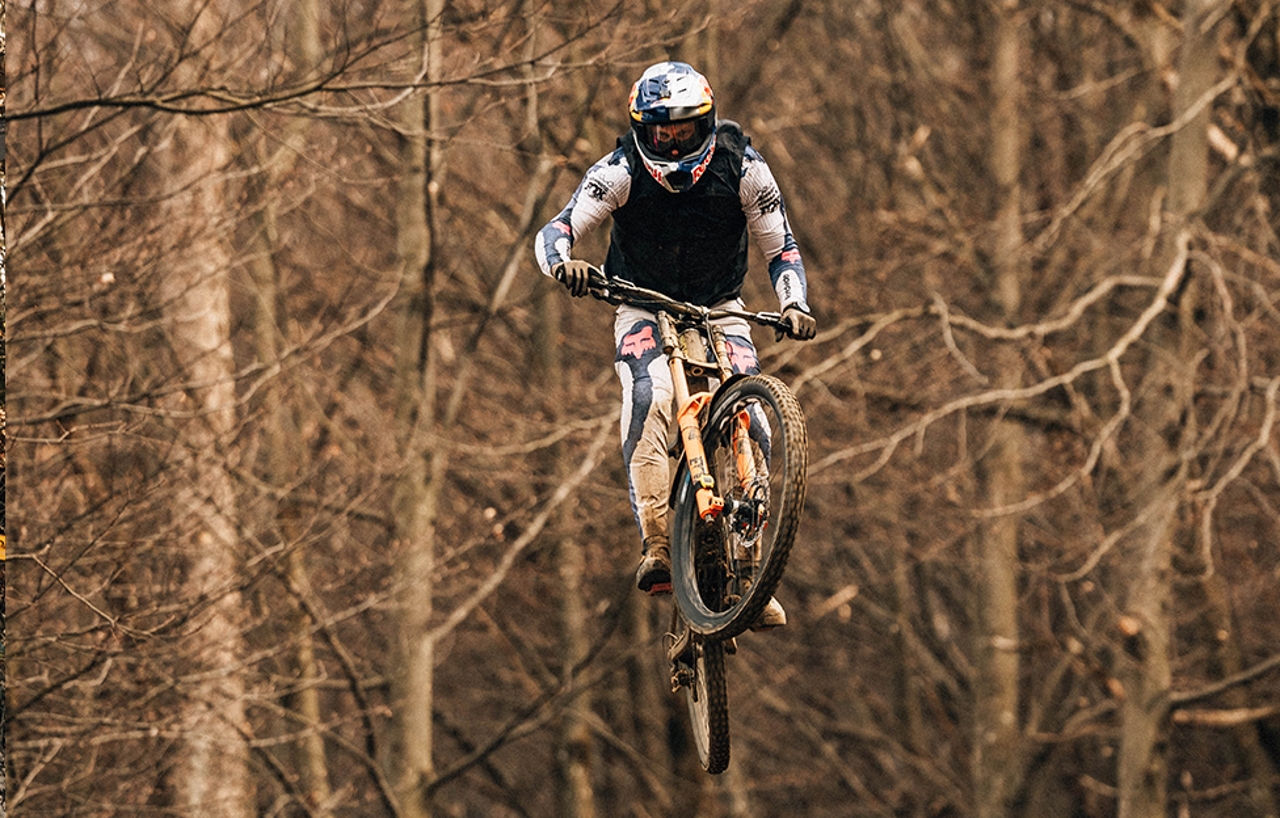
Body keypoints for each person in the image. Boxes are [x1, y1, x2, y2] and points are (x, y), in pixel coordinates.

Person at [534, 61, 816, 630]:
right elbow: (557, 229)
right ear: (643, 130)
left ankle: (754, 570)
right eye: (661, 131)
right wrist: (566, 267)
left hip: (721, 306)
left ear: (705, 122)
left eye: (684, 129)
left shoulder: (746, 169)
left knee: (754, 416)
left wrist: (793, 303)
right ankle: (658, 542)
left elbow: (780, 247)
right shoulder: (618, 171)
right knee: (651, 395)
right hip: (640, 302)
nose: (672, 140)